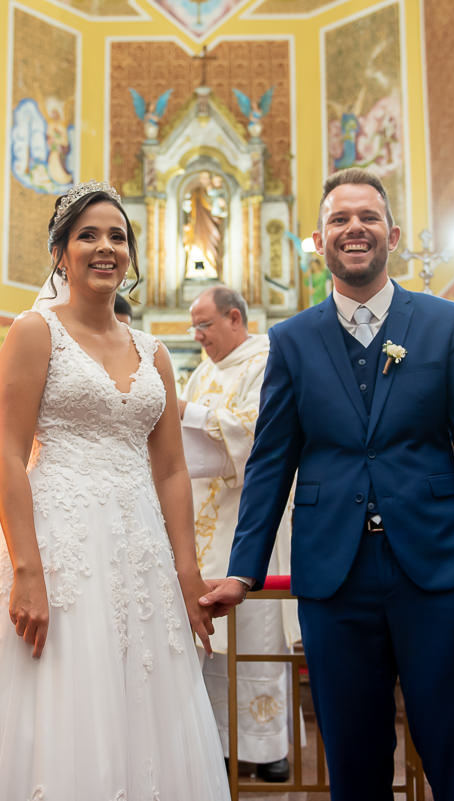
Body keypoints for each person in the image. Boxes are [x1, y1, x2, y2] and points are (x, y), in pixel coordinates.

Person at [0, 181, 230, 801]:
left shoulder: (154, 354)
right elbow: (8, 455)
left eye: (117, 236)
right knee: (58, 700)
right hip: (57, 546)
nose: (105, 247)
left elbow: (173, 471)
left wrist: (186, 573)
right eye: (87, 235)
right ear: (60, 254)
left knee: (142, 704)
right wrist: (27, 571)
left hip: (139, 553)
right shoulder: (34, 331)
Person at [200, 167, 454, 801]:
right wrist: (243, 571)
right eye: (339, 219)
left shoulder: (445, 324)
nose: (355, 228)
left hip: (438, 571)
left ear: (391, 235)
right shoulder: (291, 341)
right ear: (319, 240)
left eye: (368, 217)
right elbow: (270, 462)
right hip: (334, 577)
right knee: (352, 760)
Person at [179, 286, 297, 782]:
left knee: (255, 637)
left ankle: (267, 749)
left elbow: (260, 436)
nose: (197, 336)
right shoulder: (204, 372)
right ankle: (221, 745)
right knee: (213, 644)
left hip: (252, 525)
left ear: (234, 317)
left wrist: (187, 413)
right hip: (205, 528)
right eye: (194, 326)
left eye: (204, 324)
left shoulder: (267, 361)